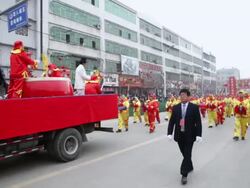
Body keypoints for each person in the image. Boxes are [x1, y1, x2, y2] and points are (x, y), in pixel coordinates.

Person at [167, 88, 202, 185]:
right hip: (179, 135)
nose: (182, 97)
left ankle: (184, 174)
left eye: (184, 95)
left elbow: (198, 122)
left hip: (190, 135)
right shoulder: (176, 107)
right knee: (185, 153)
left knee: (187, 153)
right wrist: (169, 133)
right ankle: (189, 166)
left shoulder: (194, 107)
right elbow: (172, 121)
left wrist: (199, 135)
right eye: (181, 95)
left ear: (189, 96)